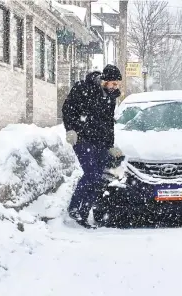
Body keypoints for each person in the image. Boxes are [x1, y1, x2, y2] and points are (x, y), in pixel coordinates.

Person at [62, 64, 124, 228]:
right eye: (112, 83)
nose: (114, 87)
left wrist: (110, 146)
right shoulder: (85, 88)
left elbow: (108, 123)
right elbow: (68, 109)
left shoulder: (111, 97)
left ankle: (83, 214)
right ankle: (74, 208)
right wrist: (71, 130)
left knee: (100, 178)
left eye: (117, 84)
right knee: (91, 174)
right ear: (104, 81)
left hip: (101, 142)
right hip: (82, 139)